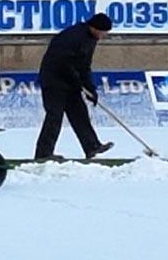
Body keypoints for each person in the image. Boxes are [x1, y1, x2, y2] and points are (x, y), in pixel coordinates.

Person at [34, 13, 116, 161]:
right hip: (54, 80)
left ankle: (92, 146)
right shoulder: (73, 36)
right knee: (54, 116)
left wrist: (90, 88)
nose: (103, 35)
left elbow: (84, 66)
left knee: (80, 114)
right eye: (103, 32)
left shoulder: (92, 39)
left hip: (71, 83)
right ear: (95, 27)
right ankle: (43, 154)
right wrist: (76, 79)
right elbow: (61, 61)